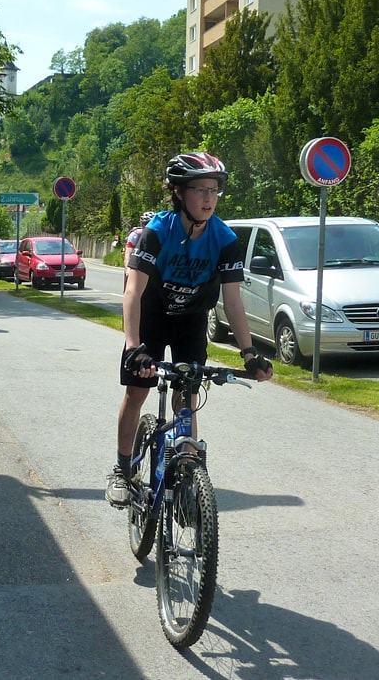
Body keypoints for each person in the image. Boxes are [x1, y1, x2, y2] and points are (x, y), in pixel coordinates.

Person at [105, 152, 273, 507]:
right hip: (151, 318)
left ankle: (185, 476)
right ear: (179, 193)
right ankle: (122, 470)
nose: (209, 198)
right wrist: (134, 347)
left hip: (191, 320)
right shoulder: (157, 232)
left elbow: (233, 301)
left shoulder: (225, 239)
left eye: (214, 190)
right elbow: (132, 292)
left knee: (187, 397)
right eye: (200, 190)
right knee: (137, 392)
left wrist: (249, 353)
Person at [122, 210, 156, 289]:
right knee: (130, 288)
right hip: (135, 262)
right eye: (144, 224)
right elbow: (128, 253)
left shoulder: (159, 235)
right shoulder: (136, 234)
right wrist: (128, 269)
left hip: (151, 265)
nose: (147, 227)